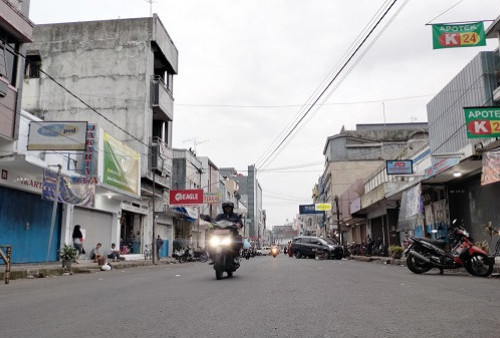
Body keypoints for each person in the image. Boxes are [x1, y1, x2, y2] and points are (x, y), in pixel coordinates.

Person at [211, 200, 243, 265]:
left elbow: (240, 222)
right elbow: (214, 222)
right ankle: (213, 257)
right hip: (220, 235)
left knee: (238, 241)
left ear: (231, 208)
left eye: (229, 207)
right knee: (210, 243)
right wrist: (212, 224)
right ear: (224, 209)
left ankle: (236, 257)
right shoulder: (220, 216)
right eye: (226, 208)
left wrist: (238, 224)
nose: (227, 209)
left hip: (232, 235)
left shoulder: (235, 216)